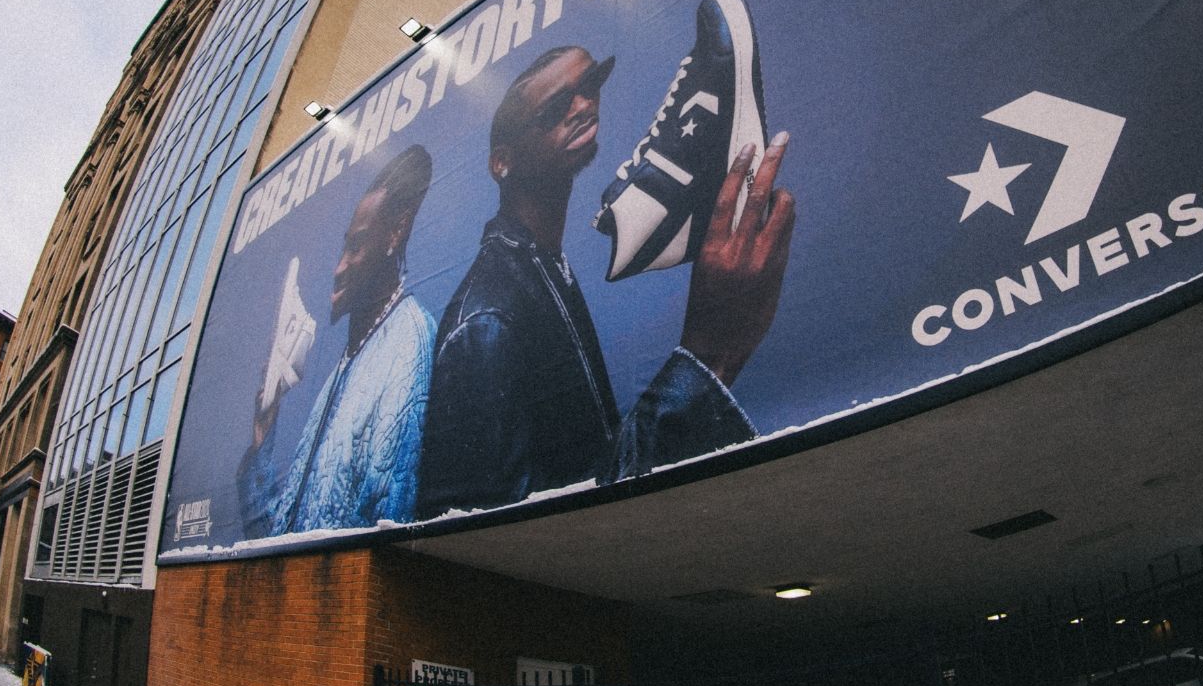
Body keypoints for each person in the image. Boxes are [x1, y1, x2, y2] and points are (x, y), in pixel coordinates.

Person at [415, 44, 794, 518]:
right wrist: (707, 353)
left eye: (589, 86)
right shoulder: (488, 320)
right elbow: (524, 540)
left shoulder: (544, 269)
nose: (583, 106)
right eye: (556, 109)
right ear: (502, 163)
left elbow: (586, 471)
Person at [239, 143, 435, 537]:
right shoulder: (347, 363)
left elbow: (384, 538)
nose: (338, 268)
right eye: (343, 247)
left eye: (355, 246)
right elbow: (280, 535)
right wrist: (264, 433)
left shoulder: (408, 346)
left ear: (395, 233)